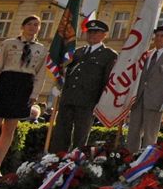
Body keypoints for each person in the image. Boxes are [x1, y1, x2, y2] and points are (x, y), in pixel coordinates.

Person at [0, 15, 47, 175]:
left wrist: (35, 93)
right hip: (5, 83)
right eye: (29, 24)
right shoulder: (9, 44)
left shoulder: (41, 49)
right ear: (22, 26)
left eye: (36, 25)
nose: (32, 27)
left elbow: (40, 74)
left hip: (24, 86)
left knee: (9, 129)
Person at [49, 19, 118, 153]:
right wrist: (59, 85)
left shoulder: (109, 55)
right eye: (89, 32)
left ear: (104, 35)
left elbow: (107, 80)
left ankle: (75, 163)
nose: (92, 35)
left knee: (80, 136)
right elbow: (67, 72)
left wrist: (101, 102)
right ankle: (56, 161)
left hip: (88, 101)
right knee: (60, 134)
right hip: (68, 98)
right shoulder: (77, 52)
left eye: (96, 32)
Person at [126, 25, 163, 153]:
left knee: (150, 135)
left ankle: (146, 162)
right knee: (133, 132)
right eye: (157, 35)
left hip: (156, 100)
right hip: (138, 99)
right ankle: (129, 159)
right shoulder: (146, 54)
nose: (159, 38)